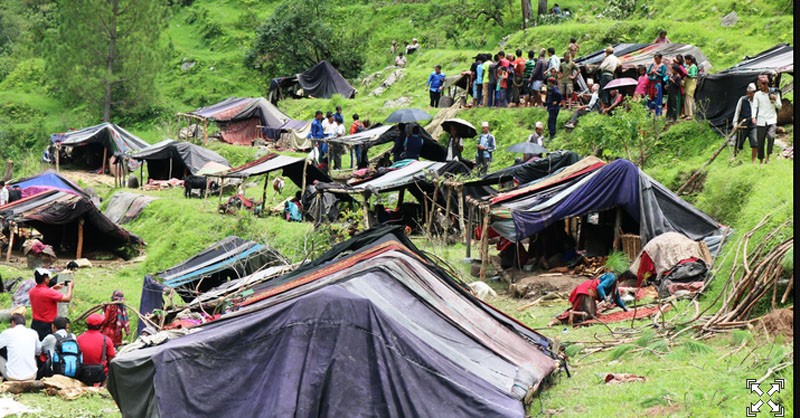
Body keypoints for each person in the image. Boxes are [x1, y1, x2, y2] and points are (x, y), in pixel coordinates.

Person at [553, 270, 630, 325]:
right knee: (590, 315)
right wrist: (605, 299)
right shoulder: (612, 277)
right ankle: (571, 313)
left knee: (588, 313)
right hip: (588, 291)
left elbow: (616, 297)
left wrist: (624, 308)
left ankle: (566, 317)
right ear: (623, 277)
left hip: (587, 290)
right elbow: (600, 287)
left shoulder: (615, 283)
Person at [28, 268, 74, 341]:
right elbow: (67, 298)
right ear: (45, 279)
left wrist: (52, 288)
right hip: (47, 326)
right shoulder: (49, 293)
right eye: (48, 277)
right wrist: (70, 287)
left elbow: (43, 295)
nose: (49, 279)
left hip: (35, 324)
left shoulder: (32, 291)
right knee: (48, 346)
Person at [0, 313, 41, 381]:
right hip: (32, 376)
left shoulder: (7, 333)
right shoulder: (33, 333)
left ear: (13, 322)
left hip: (12, 377)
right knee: (34, 355)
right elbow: (38, 352)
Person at [77, 314, 116, 386]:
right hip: (100, 376)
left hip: (83, 374)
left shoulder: (79, 339)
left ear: (87, 325)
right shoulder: (106, 340)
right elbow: (112, 361)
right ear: (101, 326)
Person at [752, 79, 781, 164]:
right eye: (758, 86)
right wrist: (753, 117)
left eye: (760, 85)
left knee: (771, 137)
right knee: (760, 141)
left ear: (765, 85)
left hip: (771, 119)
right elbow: (754, 106)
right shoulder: (757, 94)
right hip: (761, 120)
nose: (759, 87)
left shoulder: (775, 92)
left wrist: (774, 100)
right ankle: (761, 160)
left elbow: (779, 106)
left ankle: (768, 157)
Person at [732, 83, 758, 163]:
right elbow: (737, 112)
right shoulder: (742, 100)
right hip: (743, 125)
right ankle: (735, 157)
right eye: (749, 93)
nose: (751, 95)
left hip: (753, 126)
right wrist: (735, 124)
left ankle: (753, 161)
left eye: (752, 93)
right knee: (739, 143)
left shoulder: (758, 101)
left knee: (755, 142)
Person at [683, 55, 698, 120]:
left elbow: (693, 75)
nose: (685, 61)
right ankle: (688, 113)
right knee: (687, 98)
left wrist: (686, 74)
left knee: (689, 97)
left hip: (691, 83)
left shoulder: (693, 67)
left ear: (690, 60)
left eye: (686, 60)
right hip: (688, 83)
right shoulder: (688, 66)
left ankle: (690, 114)